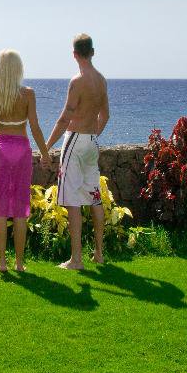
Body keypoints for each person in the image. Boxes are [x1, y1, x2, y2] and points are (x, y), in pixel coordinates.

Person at [46, 34, 109, 270]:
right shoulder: (101, 81)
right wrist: (92, 136)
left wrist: (46, 147)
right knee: (94, 198)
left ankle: (76, 259)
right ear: (92, 52)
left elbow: (64, 119)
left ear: (74, 54)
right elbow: (106, 116)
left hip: (75, 141)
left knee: (72, 201)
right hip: (92, 141)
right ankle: (99, 254)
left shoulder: (77, 81)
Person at [0, 49, 51, 273]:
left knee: (1, 209)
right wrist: (45, 153)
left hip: (0, 150)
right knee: (21, 208)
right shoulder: (28, 94)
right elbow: (35, 127)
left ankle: (2, 263)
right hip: (21, 150)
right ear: (18, 69)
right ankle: (20, 263)